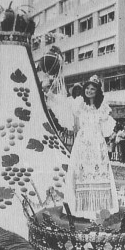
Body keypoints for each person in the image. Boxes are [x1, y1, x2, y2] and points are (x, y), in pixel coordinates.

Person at [47, 75, 119, 219]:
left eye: (93, 89)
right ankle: (79, 210)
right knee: (80, 173)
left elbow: (106, 129)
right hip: (82, 144)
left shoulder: (102, 108)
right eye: (87, 88)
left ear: (97, 91)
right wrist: (52, 92)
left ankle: (99, 210)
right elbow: (64, 107)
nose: (89, 91)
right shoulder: (78, 104)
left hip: (97, 146)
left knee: (98, 174)